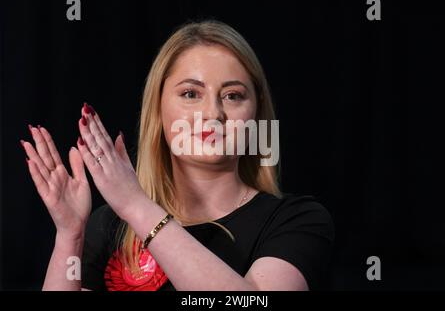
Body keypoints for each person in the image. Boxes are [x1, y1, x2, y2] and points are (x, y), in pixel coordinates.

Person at [21, 20, 334, 291]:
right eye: (190, 94)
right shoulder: (110, 226)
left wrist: (136, 206)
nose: (213, 113)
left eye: (233, 96)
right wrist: (69, 235)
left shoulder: (297, 220)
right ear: (158, 108)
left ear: (255, 113)